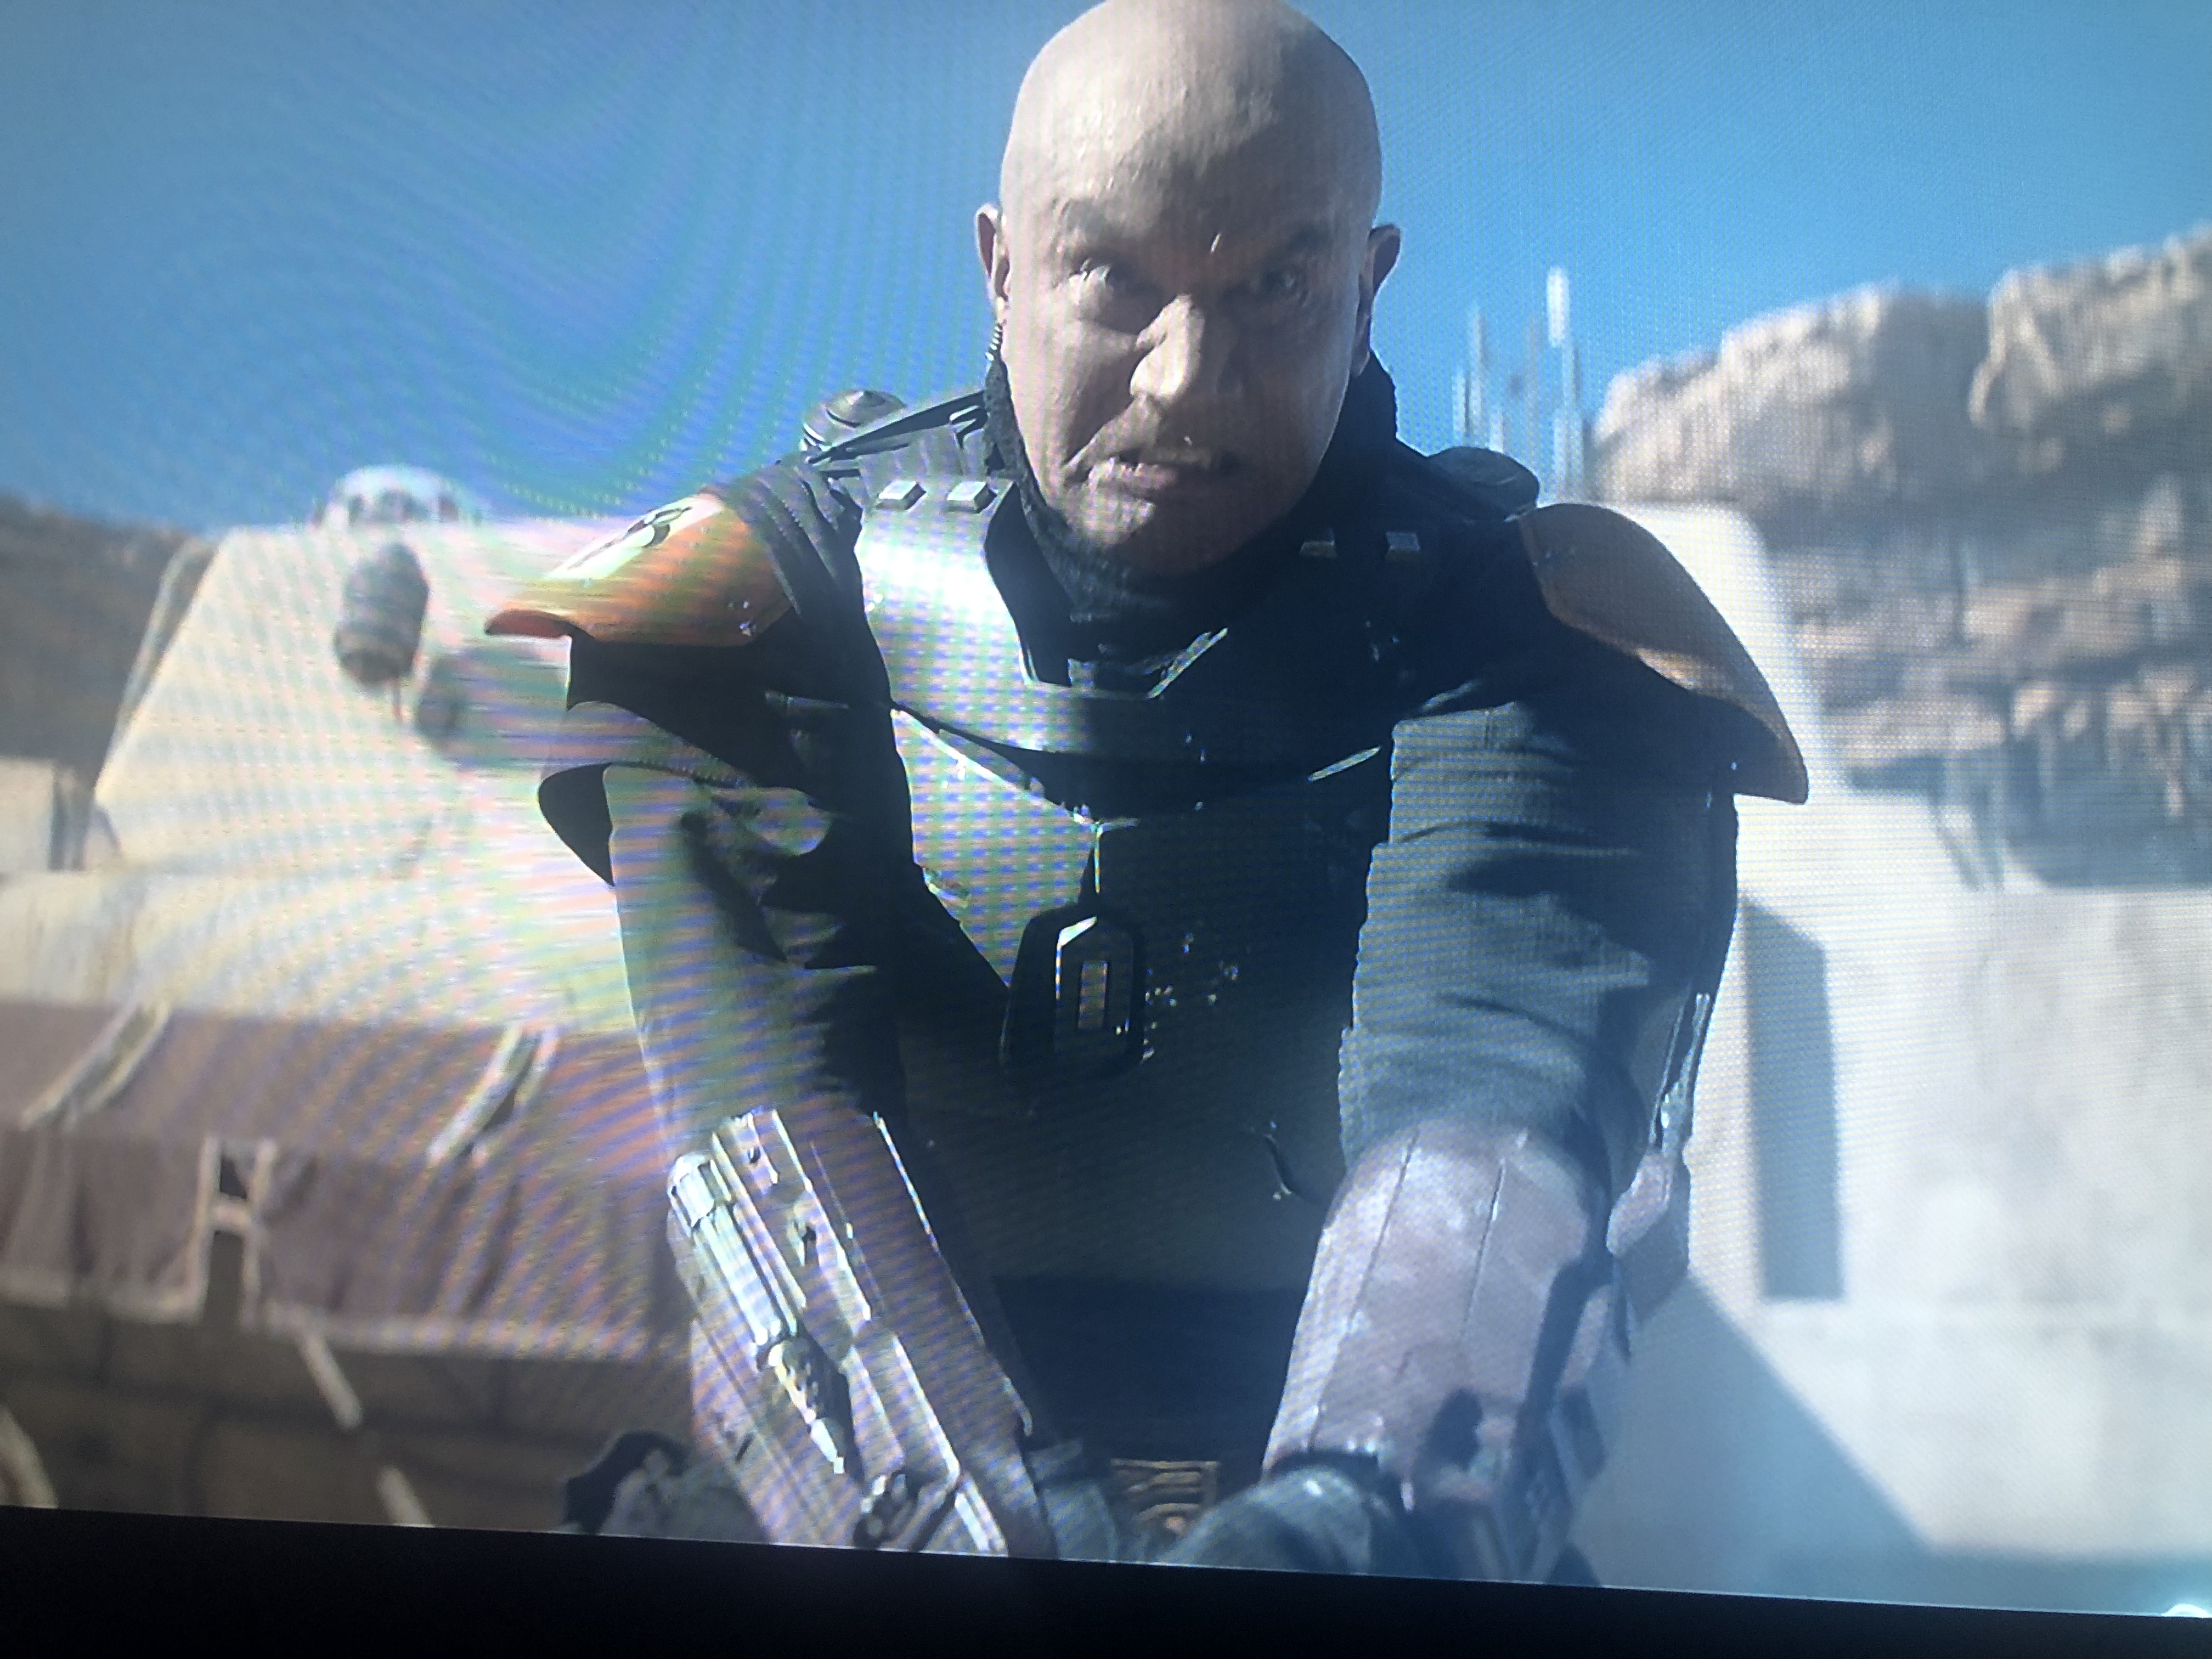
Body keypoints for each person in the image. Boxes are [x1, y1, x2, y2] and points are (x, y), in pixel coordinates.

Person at [490, 0, 1803, 1579]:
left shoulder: (1526, 630)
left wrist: (1338, 1540)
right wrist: (949, 1527)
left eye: (1276, 286)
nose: (1185, 381)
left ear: (1368, 288)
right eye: (1113, 275)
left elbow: (1495, 1097)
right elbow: (767, 1119)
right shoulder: (772, 604)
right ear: (999, 269)